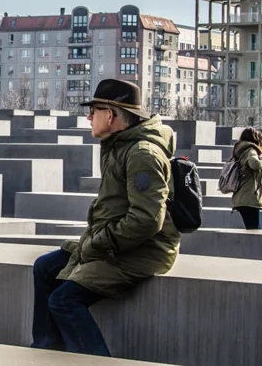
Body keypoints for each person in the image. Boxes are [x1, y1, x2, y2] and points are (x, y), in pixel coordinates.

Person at [31, 79, 180, 357]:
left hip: (142, 251)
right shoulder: (118, 146)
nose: (89, 117)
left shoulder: (142, 153)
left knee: (64, 300)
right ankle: (47, 350)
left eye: (94, 110)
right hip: (113, 242)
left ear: (110, 115)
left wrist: (99, 243)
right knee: (45, 267)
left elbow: (147, 220)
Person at [230, 127, 262, 229]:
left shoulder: (241, 151)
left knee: (252, 229)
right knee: (254, 231)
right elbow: (255, 164)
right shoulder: (251, 150)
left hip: (242, 197)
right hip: (249, 198)